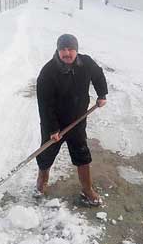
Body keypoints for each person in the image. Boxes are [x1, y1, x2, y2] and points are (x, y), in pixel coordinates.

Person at [36, 34, 108, 205]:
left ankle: (87, 189)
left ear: (76, 50)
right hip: (54, 124)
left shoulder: (86, 63)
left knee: (82, 154)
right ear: (58, 50)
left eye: (70, 49)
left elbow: (98, 75)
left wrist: (102, 94)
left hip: (77, 120)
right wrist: (53, 129)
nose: (67, 53)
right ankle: (41, 183)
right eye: (63, 49)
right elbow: (45, 106)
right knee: (46, 154)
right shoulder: (48, 72)